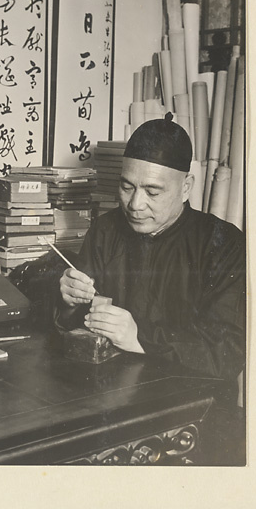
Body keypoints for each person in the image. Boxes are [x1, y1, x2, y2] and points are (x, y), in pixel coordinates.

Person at [57, 113, 245, 380]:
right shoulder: (105, 230)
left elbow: (226, 353)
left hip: (190, 399)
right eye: (126, 187)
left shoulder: (224, 244)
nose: (135, 204)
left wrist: (139, 336)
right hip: (110, 389)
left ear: (186, 188)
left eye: (152, 192)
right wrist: (68, 301)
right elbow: (76, 331)